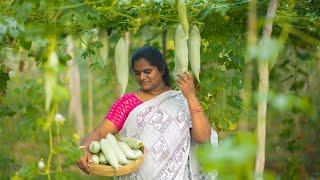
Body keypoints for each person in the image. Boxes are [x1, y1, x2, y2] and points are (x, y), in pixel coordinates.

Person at [76, 46, 215, 179]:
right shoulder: (128, 102)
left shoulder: (181, 100)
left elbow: (202, 137)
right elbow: (99, 133)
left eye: (147, 71)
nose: (142, 77)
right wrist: (84, 148)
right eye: (137, 73)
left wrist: (191, 96)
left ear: (161, 69)